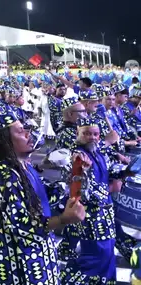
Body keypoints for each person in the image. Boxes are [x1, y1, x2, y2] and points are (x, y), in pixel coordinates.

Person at [0, 112, 86, 285]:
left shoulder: (24, 167)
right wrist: (63, 219)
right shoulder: (6, 176)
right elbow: (22, 226)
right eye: (20, 131)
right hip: (23, 264)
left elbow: (46, 193)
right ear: (4, 140)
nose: (27, 134)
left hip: (40, 255)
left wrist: (77, 174)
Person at [62, 115, 117, 283]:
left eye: (95, 134)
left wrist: (124, 171)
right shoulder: (78, 157)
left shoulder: (96, 151)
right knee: (94, 258)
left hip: (105, 215)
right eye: (86, 133)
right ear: (78, 133)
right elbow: (80, 192)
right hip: (91, 217)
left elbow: (107, 171)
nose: (92, 137)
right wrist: (110, 189)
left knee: (107, 254)